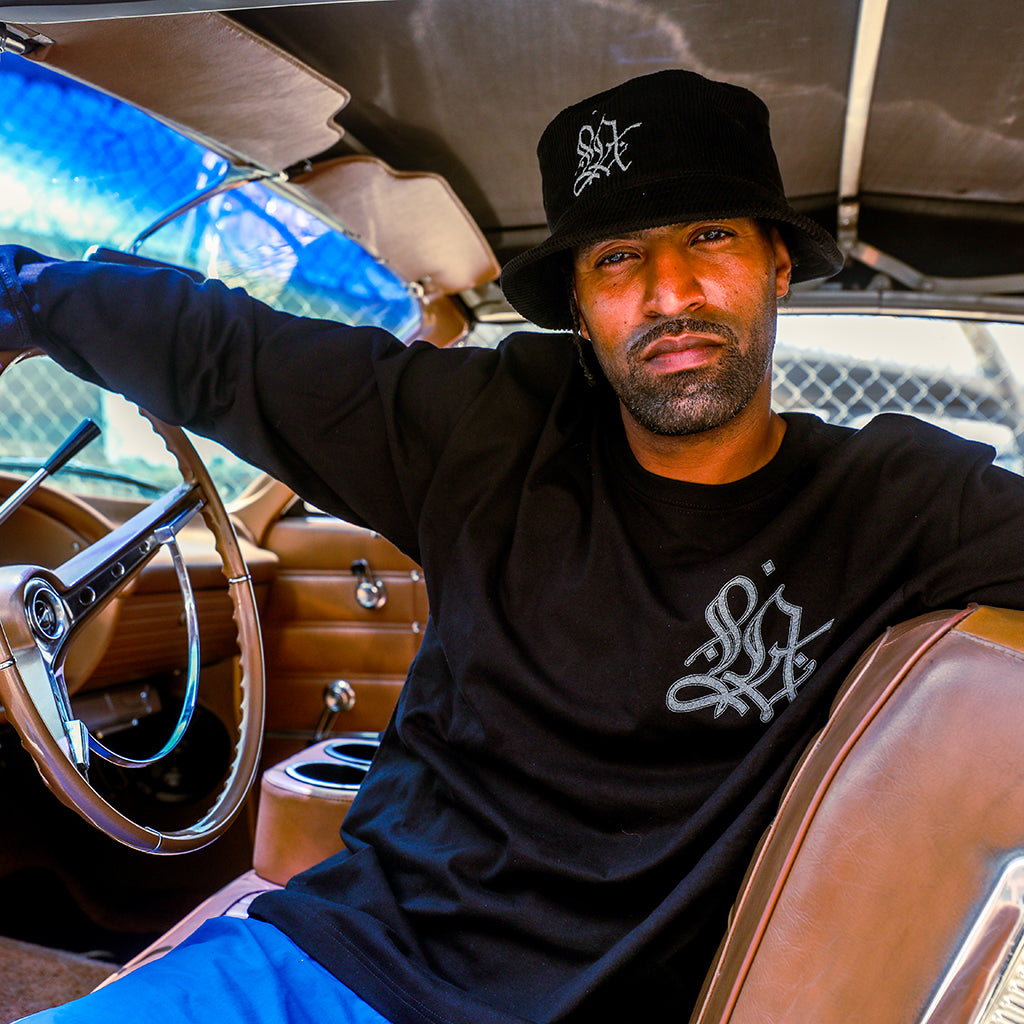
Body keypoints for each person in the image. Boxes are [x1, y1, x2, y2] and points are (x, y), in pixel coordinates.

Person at [6, 69, 1024, 1023]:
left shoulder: (893, 500)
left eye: (708, 236)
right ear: (579, 308)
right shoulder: (493, 427)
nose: (669, 292)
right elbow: (227, 355)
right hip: (333, 966)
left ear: (777, 264)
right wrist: (23, 291)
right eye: (619, 256)